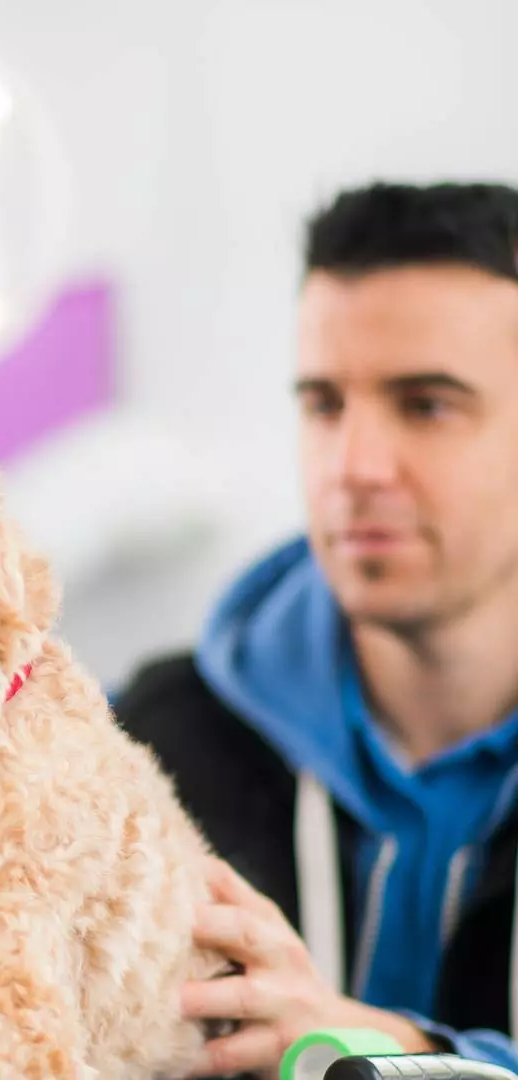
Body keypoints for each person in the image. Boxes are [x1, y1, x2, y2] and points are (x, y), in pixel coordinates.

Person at [116, 181, 518, 1076]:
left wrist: (389, 1055)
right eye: (325, 404)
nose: (354, 467)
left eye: (427, 404)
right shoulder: (145, 741)